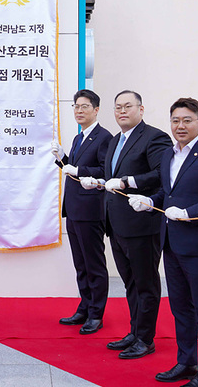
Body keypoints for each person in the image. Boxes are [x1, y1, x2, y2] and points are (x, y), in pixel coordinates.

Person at [130, 97, 198, 387]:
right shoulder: (169, 155)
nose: (180, 126)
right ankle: (186, 361)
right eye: (175, 120)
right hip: (171, 243)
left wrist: (190, 214)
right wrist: (151, 202)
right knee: (180, 308)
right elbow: (168, 192)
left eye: (187, 120)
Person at [95, 90, 172, 359]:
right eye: (118, 107)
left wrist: (128, 182)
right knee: (130, 282)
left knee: (146, 283)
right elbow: (111, 177)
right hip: (116, 224)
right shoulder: (116, 140)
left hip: (142, 223)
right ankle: (135, 331)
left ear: (141, 109)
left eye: (128, 106)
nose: (122, 111)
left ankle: (146, 338)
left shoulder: (154, 137)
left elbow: (162, 173)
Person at [51, 89, 112, 335]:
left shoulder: (104, 137)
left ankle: (96, 313)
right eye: (76, 106)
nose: (79, 110)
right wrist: (62, 158)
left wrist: (77, 170)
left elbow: (105, 171)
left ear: (96, 110)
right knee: (81, 264)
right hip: (74, 209)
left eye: (84, 106)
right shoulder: (79, 138)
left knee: (94, 263)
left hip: (91, 209)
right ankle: (84, 307)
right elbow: (72, 168)